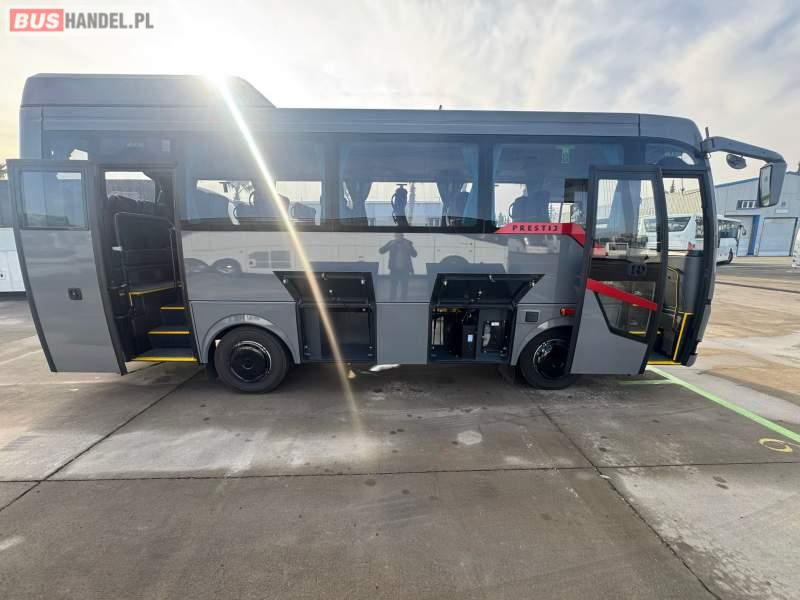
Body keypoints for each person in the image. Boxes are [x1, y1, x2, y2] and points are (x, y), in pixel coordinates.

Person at [379, 233, 417, 300]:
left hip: (405, 268)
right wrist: (389, 245)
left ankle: (403, 300)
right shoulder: (391, 243)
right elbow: (381, 251)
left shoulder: (408, 243)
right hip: (394, 268)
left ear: (402, 236)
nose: (398, 237)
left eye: (399, 235)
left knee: (404, 285)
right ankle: (392, 300)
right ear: (395, 236)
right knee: (393, 285)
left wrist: (409, 247)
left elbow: (414, 254)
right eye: (396, 236)